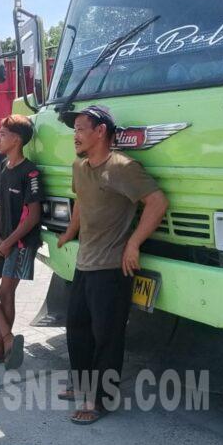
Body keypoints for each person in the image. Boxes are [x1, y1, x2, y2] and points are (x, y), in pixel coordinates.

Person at [56, 105, 169, 425]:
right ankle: (82, 385)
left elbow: (157, 201)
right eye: (74, 130)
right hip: (85, 262)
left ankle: (101, 400)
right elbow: (81, 201)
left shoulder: (122, 167)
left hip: (111, 267)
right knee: (77, 327)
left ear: (100, 131)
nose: (75, 135)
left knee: (107, 335)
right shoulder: (80, 167)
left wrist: (133, 243)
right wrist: (70, 232)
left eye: (81, 129)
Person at [0, 115, 42, 370]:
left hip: (22, 243)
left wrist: (10, 241)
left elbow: (33, 216)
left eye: (3, 134)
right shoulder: (3, 167)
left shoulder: (30, 172)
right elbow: (3, 203)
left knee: (5, 291)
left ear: (17, 140)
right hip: (3, 242)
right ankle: (8, 338)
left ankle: (0, 347)